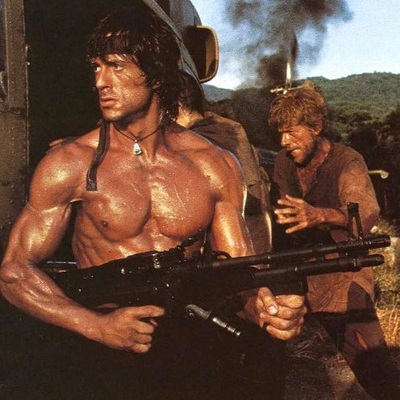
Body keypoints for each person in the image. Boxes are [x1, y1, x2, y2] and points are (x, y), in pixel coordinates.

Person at [0, 4, 305, 400]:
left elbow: (238, 274)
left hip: (191, 350)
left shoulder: (213, 164)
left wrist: (265, 308)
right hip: (104, 357)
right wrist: (95, 326)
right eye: (97, 68)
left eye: (116, 66)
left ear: (157, 74)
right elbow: (14, 272)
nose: (101, 82)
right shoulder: (69, 164)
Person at [268, 82, 400, 399]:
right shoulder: (284, 161)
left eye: (292, 133)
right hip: (297, 275)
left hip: (343, 278)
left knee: (373, 368)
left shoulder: (347, 161)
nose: (285, 142)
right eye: (280, 135)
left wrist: (319, 215)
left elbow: (365, 212)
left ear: (316, 127)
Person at [176, 73, 272, 254]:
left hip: (233, 249)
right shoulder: (229, 130)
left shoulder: (199, 142)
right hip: (255, 245)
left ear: (178, 105)